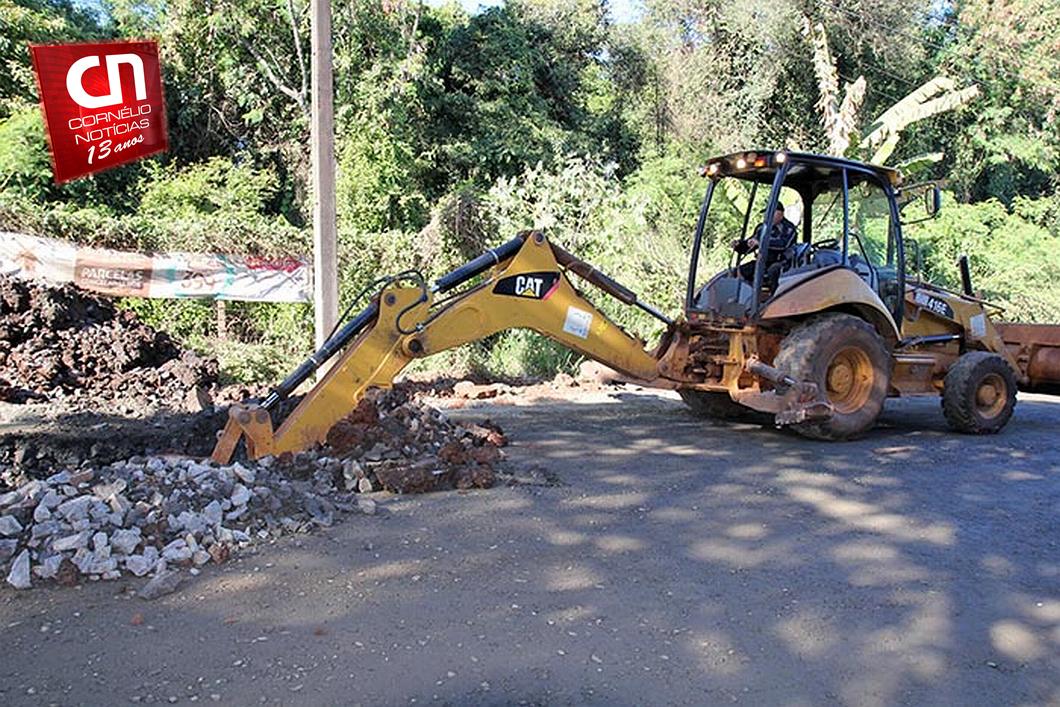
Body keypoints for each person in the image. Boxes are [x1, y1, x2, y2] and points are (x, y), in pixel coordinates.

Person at [732, 203, 798, 288]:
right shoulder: (762, 228)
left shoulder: (788, 228)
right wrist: (739, 245)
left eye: (770, 212)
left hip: (782, 262)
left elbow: (783, 244)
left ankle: (775, 296)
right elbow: (750, 245)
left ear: (780, 213)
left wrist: (761, 243)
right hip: (763, 261)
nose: (767, 215)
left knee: (773, 270)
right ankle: (748, 296)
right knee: (739, 271)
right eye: (766, 213)